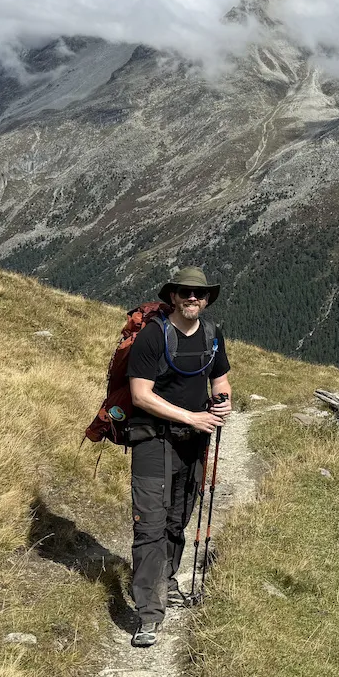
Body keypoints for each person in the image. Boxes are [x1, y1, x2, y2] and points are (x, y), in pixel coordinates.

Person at [125, 266, 231, 647]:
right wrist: (193, 416)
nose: (192, 299)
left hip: (193, 444)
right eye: (185, 293)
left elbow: (219, 378)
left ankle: (166, 580)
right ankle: (149, 614)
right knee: (149, 527)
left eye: (199, 294)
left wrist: (223, 401)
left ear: (206, 300)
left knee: (177, 520)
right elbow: (140, 395)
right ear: (172, 296)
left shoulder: (212, 333)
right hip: (153, 442)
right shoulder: (153, 336)